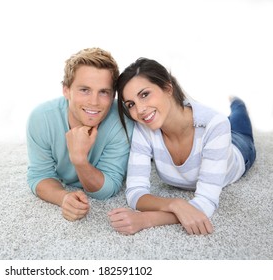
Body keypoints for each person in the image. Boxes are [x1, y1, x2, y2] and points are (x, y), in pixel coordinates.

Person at [108, 57, 256, 235]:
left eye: (145, 94)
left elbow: (206, 202)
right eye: (131, 104)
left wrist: (146, 219)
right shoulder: (144, 127)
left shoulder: (215, 123)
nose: (140, 110)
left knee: (238, 118)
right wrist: (175, 203)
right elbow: (134, 191)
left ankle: (238, 103)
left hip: (239, 148)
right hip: (214, 135)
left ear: (168, 88)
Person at [27, 47, 133, 221]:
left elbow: (108, 189)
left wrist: (79, 159)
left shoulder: (122, 120)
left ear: (113, 94)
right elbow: (39, 176)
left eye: (104, 92)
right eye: (85, 90)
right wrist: (63, 197)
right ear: (66, 90)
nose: (94, 102)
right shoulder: (41, 118)